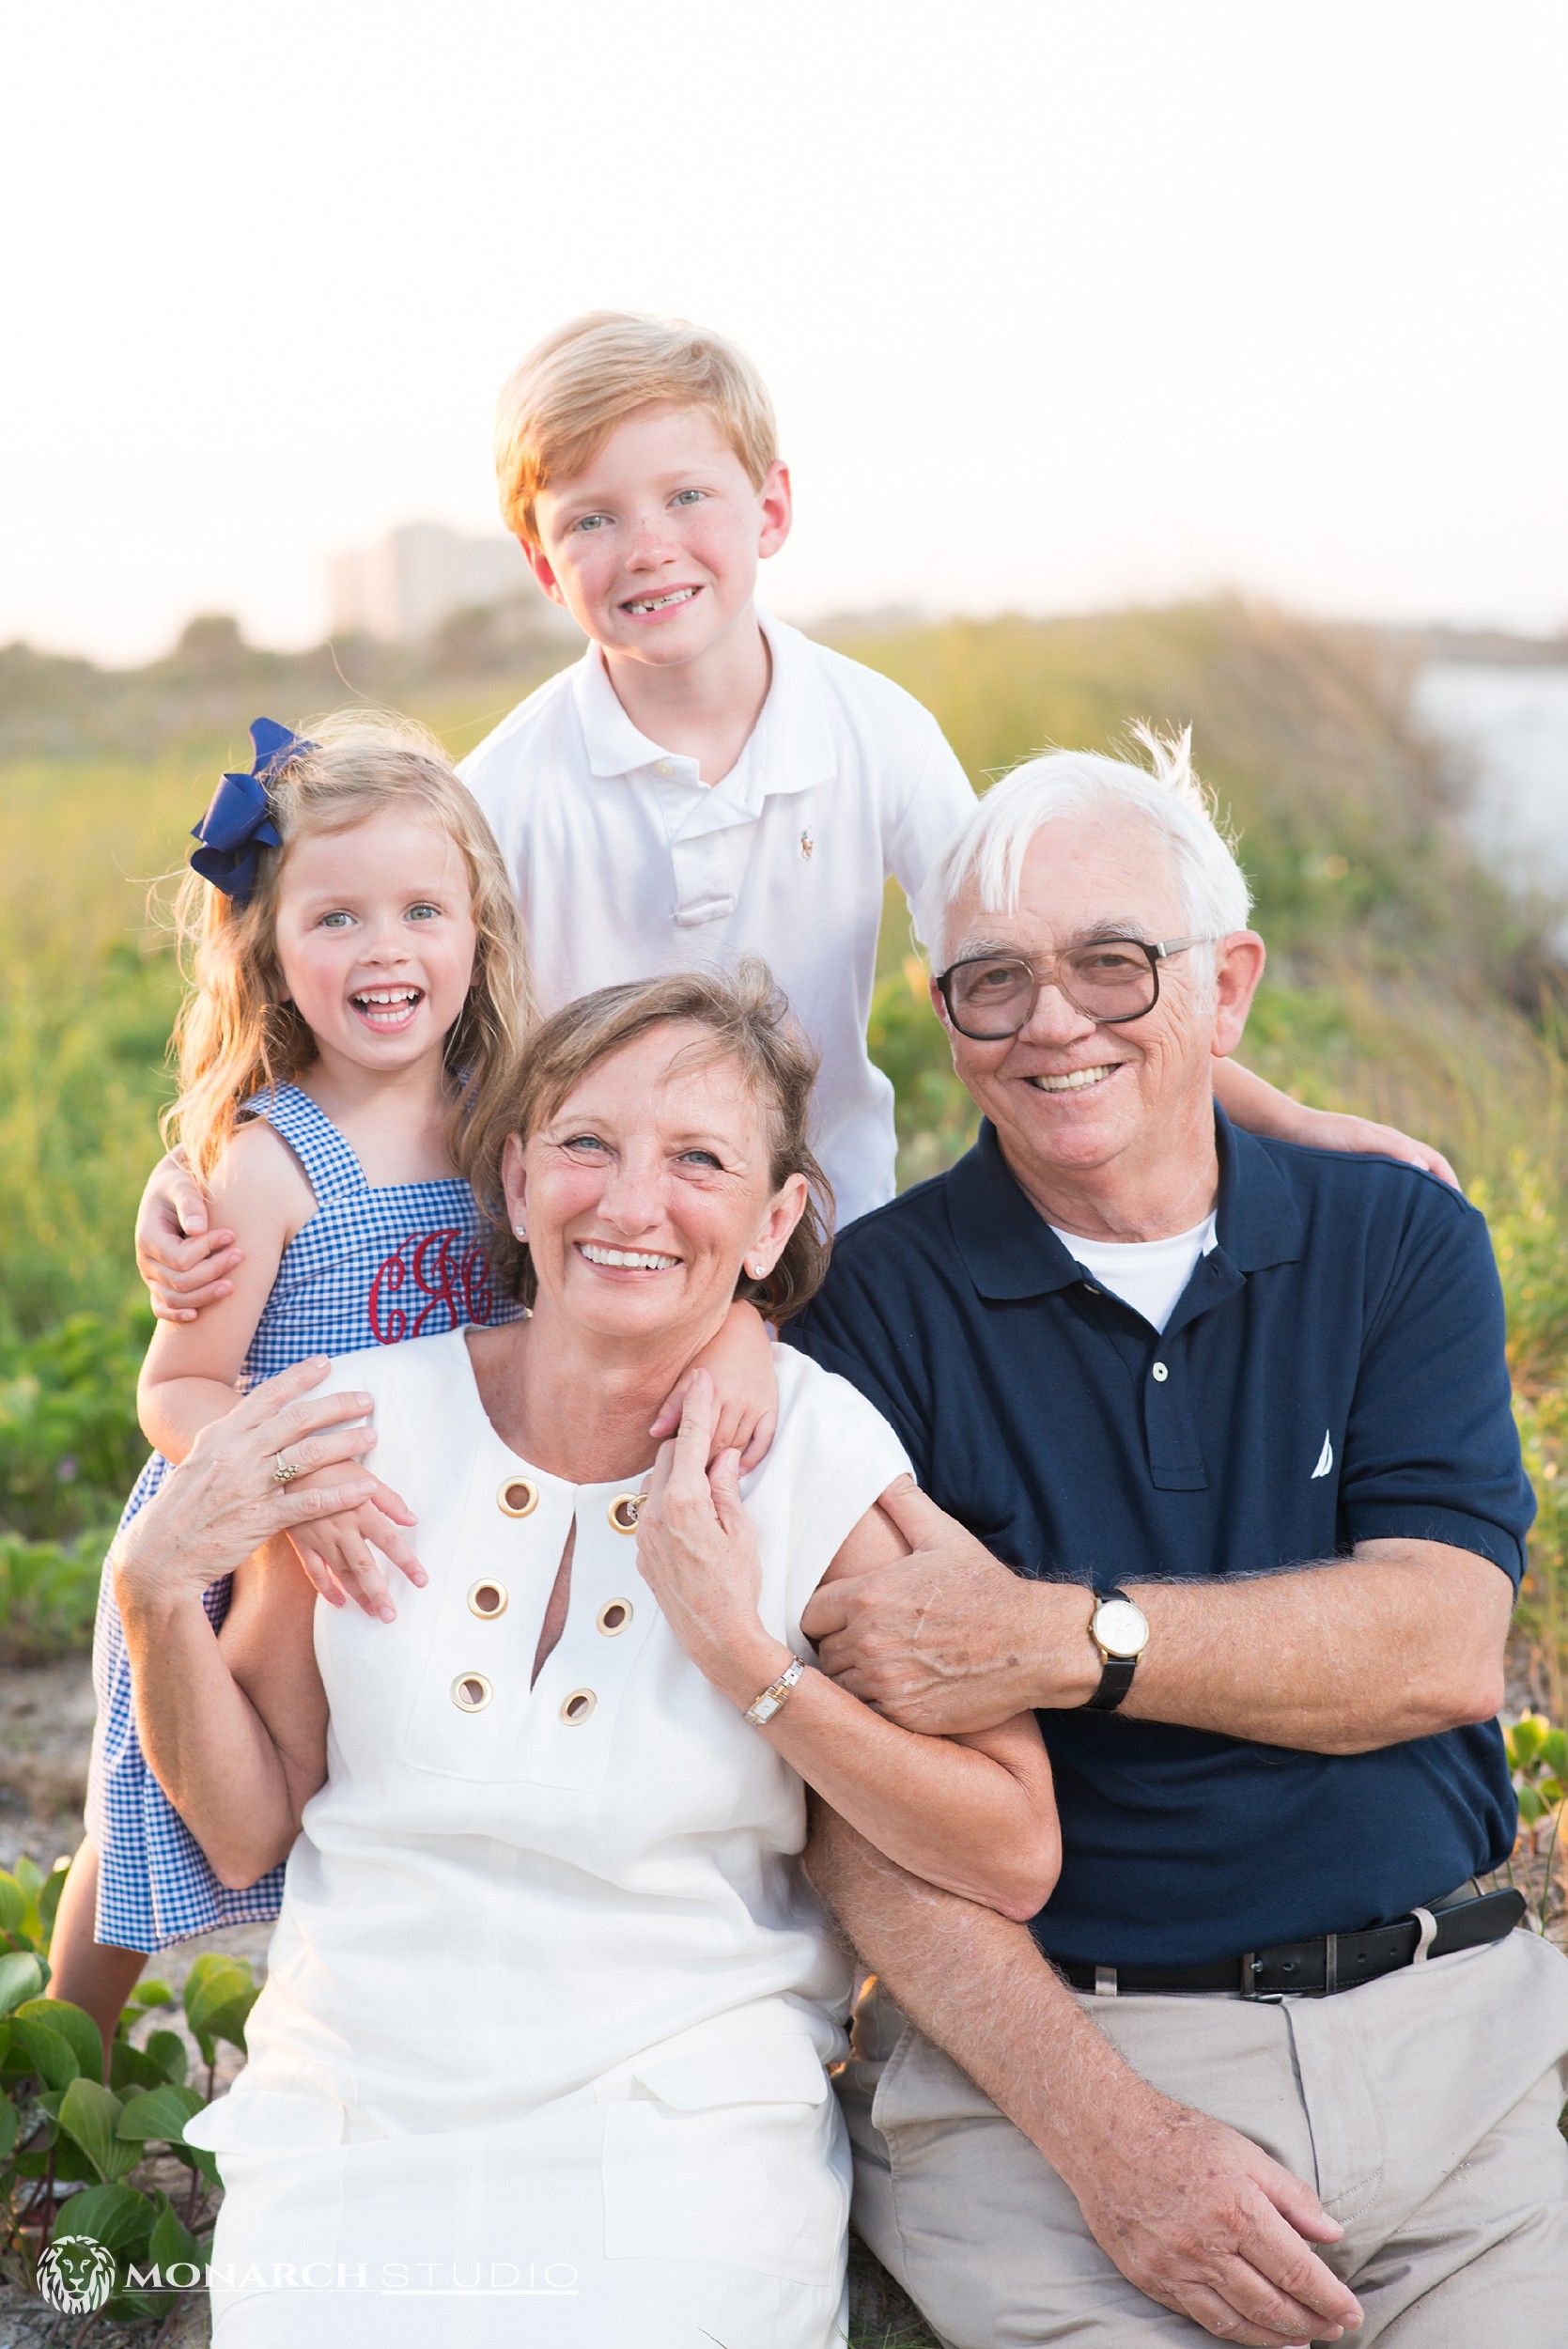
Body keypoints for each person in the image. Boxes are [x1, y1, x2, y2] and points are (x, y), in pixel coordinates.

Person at [132, 311, 1452, 1319]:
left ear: (769, 509)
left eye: (685, 497)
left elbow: (1036, 971)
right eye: (590, 518)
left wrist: (1288, 1122)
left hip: (830, 1224)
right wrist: (206, 1166)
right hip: (598, 1239)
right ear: (542, 563)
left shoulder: (871, 730)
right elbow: (392, 1030)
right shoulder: (506, 792)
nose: (646, 545)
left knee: (829, 1526)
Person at [112, 968, 1060, 2347]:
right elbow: (252, 1829)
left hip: (680, 2130)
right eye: (584, 1146)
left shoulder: (814, 1455)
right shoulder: (358, 1424)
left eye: (697, 1162)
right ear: (511, 1175)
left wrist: (752, 1664)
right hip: (354, 2114)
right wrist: (152, 1599)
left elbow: (1009, 1846)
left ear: (772, 1221)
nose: (628, 1204)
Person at [785, 732, 1568, 2346]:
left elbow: (1433, 1649)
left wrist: (1064, 1639)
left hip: (1448, 2060)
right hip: (1057, 2098)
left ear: (1226, 991)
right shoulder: (865, 1314)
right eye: (989, 981)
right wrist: (1114, 2144)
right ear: (948, 1023)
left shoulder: (1393, 1238)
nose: (1052, 1021)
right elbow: (860, 1820)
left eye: (1113, 964)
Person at [49, 718, 775, 2047]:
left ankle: (374, 2017)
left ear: (477, 931)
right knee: (148, 1820)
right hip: (272, 1532)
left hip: (443, 1509)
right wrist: (279, 1483)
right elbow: (180, 1383)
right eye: (335, 918)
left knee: (369, 1792)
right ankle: (55, 2058)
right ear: (268, 949)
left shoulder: (517, 1113)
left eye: (420, 910)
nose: (384, 949)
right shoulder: (273, 1160)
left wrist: (734, 1333)